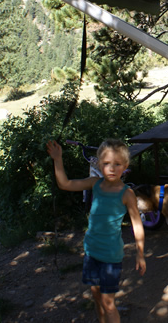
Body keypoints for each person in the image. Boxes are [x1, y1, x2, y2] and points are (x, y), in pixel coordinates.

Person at [46, 138, 146, 323]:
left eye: (117, 164)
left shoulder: (126, 193)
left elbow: (137, 224)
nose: (111, 168)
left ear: (125, 166)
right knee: (97, 298)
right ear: (99, 164)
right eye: (107, 163)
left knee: (108, 304)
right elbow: (65, 184)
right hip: (91, 252)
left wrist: (140, 253)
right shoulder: (94, 184)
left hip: (110, 257)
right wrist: (57, 159)